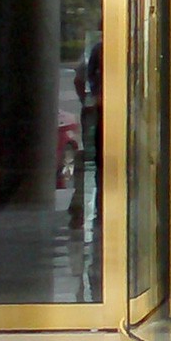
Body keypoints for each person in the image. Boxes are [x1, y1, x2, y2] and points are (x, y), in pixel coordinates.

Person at [68, 40, 103, 229]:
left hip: (96, 112)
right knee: (96, 161)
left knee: (95, 161)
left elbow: (79, 79)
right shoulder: (97, 51)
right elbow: (80, 79)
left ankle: (88, 205)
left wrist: (88, 101)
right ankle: (93, 205)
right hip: (98, 114)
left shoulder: (95, 51)